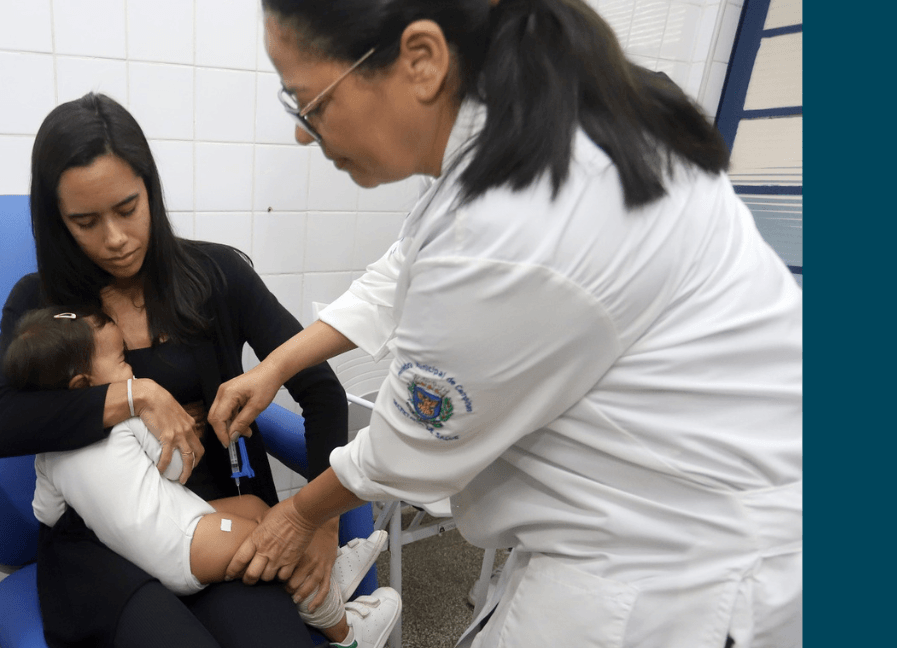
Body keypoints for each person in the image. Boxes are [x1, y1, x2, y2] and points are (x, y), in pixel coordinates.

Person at [208, 1, 802, 647]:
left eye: (309, 101)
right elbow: (403, 270)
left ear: (423, 60)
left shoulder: (516, 219)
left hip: (678, 563)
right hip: (652, 510)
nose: (303, 132)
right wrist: (276, 365)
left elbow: (409, 445)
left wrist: (300, 515)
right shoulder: (517, 132)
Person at [0, 92, 402, 648]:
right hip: (101, 546)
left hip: (212, 519)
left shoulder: (218, 274)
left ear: (150, 190)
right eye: (85, 221)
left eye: (127, 208)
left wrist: (319, 526)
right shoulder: (44, 307)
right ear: (57, 222)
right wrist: (137, 397)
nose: (115, 238)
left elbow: (319, 389)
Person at [1, 304, 396, 647]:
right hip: (184, 546)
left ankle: (326, 575)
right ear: (83, 385)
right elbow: (175, 468)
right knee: (273, 543)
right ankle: (348, 632)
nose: (130, 367)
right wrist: (180, 431)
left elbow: (48, 513)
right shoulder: (129, 412)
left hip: (174, 531)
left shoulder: (48, 453)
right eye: (121, 360)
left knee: (255, 506)